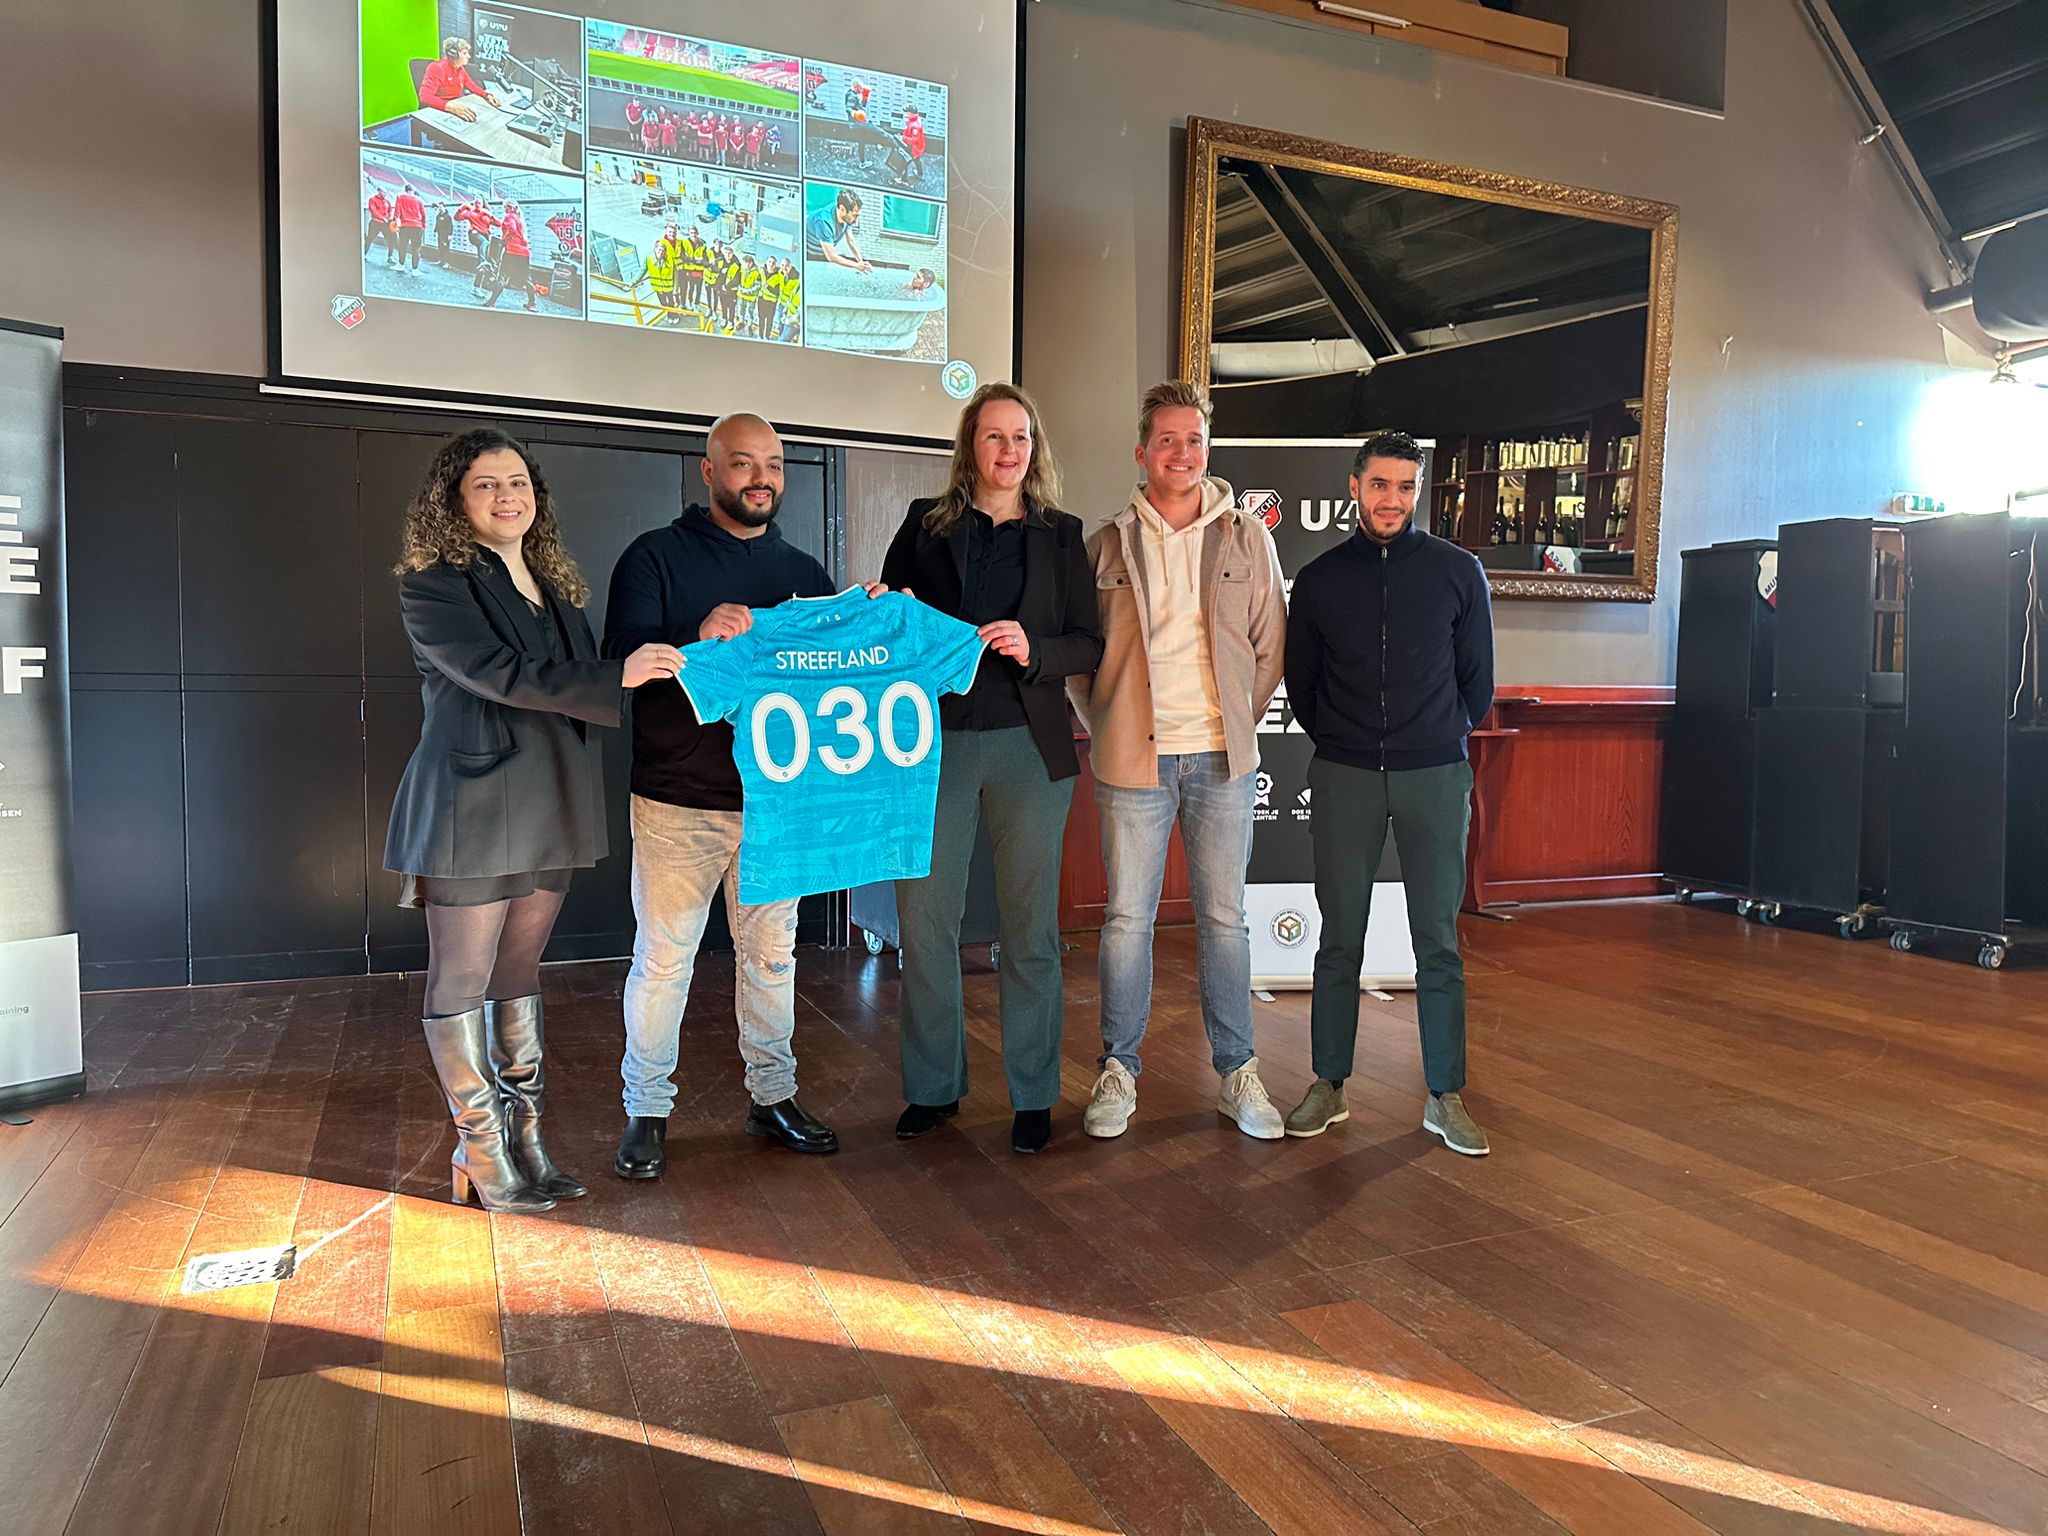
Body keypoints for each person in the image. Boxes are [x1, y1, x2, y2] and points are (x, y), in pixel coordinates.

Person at [386, 429, 682, 1213]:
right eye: (486, 484)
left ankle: (527, 1143)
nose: (506, 496)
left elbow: (573, 674)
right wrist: (617, 674)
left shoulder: (553, 583)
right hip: (473, 804)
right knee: (462, 977)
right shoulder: (432, 583)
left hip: (552, 796)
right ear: (455, 500)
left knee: (517, 974)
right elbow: (498, 673)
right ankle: (481, 1151)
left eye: (517, 482)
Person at [603, 415, 862, 1177]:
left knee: (773, 960)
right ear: (709, 471)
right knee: (663, 963)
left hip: (776, 804)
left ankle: (773, 1097)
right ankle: (646, 1110)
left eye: (774, 465)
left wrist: (869, 616)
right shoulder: (654, 556)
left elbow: (837, 678)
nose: (762, 478)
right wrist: (694, 634)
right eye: (744, 463)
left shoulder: (805, 572)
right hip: (677, 800)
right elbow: (617, 660)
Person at [881, 384, 1103, 1155]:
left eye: (1021, 437)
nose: (1009, 451)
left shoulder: (1062, 535)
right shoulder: (924, 524)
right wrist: (884, 606)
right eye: (994, 436)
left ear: (1034, 449)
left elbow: (1087, 643)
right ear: (969, 446)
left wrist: (1035, 649)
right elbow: (890, 624)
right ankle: (933, 1087)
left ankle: (1034, 1095)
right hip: (930, 745)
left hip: (1029, 747)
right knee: (925, 923)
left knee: (1029, 930)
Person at [1068, 380, 1288, 1141]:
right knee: (1127, 920)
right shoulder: (1106, 543)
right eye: (1167, 440)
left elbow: (1270, 647)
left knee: (1225, 919)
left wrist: (1233, 723)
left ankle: (1238, 1071)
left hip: (1222, 761)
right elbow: (1080, 660)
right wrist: (1107, 724)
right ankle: (1117, 1070)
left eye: (1193, 440)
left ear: (1207, 450)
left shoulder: (1248, 538)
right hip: (1133, 764)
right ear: (1143, 452)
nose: (1182, 453)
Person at [1282, 432, 1495, 1155]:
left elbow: (1477, 681)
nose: (1392, 500)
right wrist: (1347, 742)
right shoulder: (1319, 579)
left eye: (1405, 486)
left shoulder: (1458, 572)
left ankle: (1445, 1094)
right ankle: (1328, 1084)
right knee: (1339, 937)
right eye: (1379, 485)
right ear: (1354, 487)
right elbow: (1303, 683)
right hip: (1344, 773)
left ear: (1419, 490)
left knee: (1437, 939)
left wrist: (1433, 739)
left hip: (1434, 774)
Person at [419, 36, 498, 122]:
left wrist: (487, 95)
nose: (468, 56)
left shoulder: (460, 69)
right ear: (454, 55)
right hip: (441, 108)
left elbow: (471, 85)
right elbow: (425, 96)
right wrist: (452, 108)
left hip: (454, 105)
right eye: (464, 53)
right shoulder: (437, 68)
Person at [806, 188, 870, 272]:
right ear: (842, 209)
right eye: (854, 215)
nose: (856, 221)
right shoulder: (823, 221)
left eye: (858, 216)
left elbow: (851, 241)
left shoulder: (846, 216)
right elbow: (831, 257)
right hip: (807, 254)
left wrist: (860, 262)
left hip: (822, 253)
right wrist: (856, 265)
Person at [494, 199, 535, 311]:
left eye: (505, 207)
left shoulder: (509, 216)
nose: (504, 209)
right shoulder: (520, 219)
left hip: (512, 251)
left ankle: (491, 302)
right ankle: (532, 305)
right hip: (524, 252)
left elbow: (512, 229)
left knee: (503, 276)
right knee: (527, 279)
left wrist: (504, 239)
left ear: (509, 207)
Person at [646, 220, 681, 325]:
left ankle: (674, 316)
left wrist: (675, 289)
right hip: (658, 287)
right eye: (658, 250)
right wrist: (633, 281)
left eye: (662, 250)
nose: (660, 252)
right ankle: (670, 315)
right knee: (664, 304)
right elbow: (643, 270)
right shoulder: (650, 259)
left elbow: (675, 274)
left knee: (671, 303)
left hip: (668, 286)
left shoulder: (670, 258)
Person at [393, 181, 427, 273]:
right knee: (416, 248)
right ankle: (415, 270)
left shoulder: (400, 197)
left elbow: (397, 212)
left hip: (405, 226)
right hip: (417, 226)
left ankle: (401, 265)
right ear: (412, 190)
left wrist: (395, 223)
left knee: (402, 246)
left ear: (406, 190)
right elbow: (423, 215)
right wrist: (423, 226)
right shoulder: (419, 200)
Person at [363, 186, 397, 266]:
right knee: (369, 239)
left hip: (385, 224)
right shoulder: (372, 200)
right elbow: (373, 211)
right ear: (379, 191)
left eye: (386, 192)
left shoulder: (387, 201)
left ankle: (390, 256)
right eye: (383, 192)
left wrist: (389, 217)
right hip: (376, 223)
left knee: (391, 239)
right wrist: (382, 218)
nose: (385, 194)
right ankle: (363, 254)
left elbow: (389, 211)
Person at [774, 257, 801, 343]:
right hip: (782, 305)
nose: (784, 268)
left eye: (787, 266)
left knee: (786, 331)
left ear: (791, 266)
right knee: (780, 325)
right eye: (782, 265)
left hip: (790, 309)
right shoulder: (780, 273)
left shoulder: (796, 279)